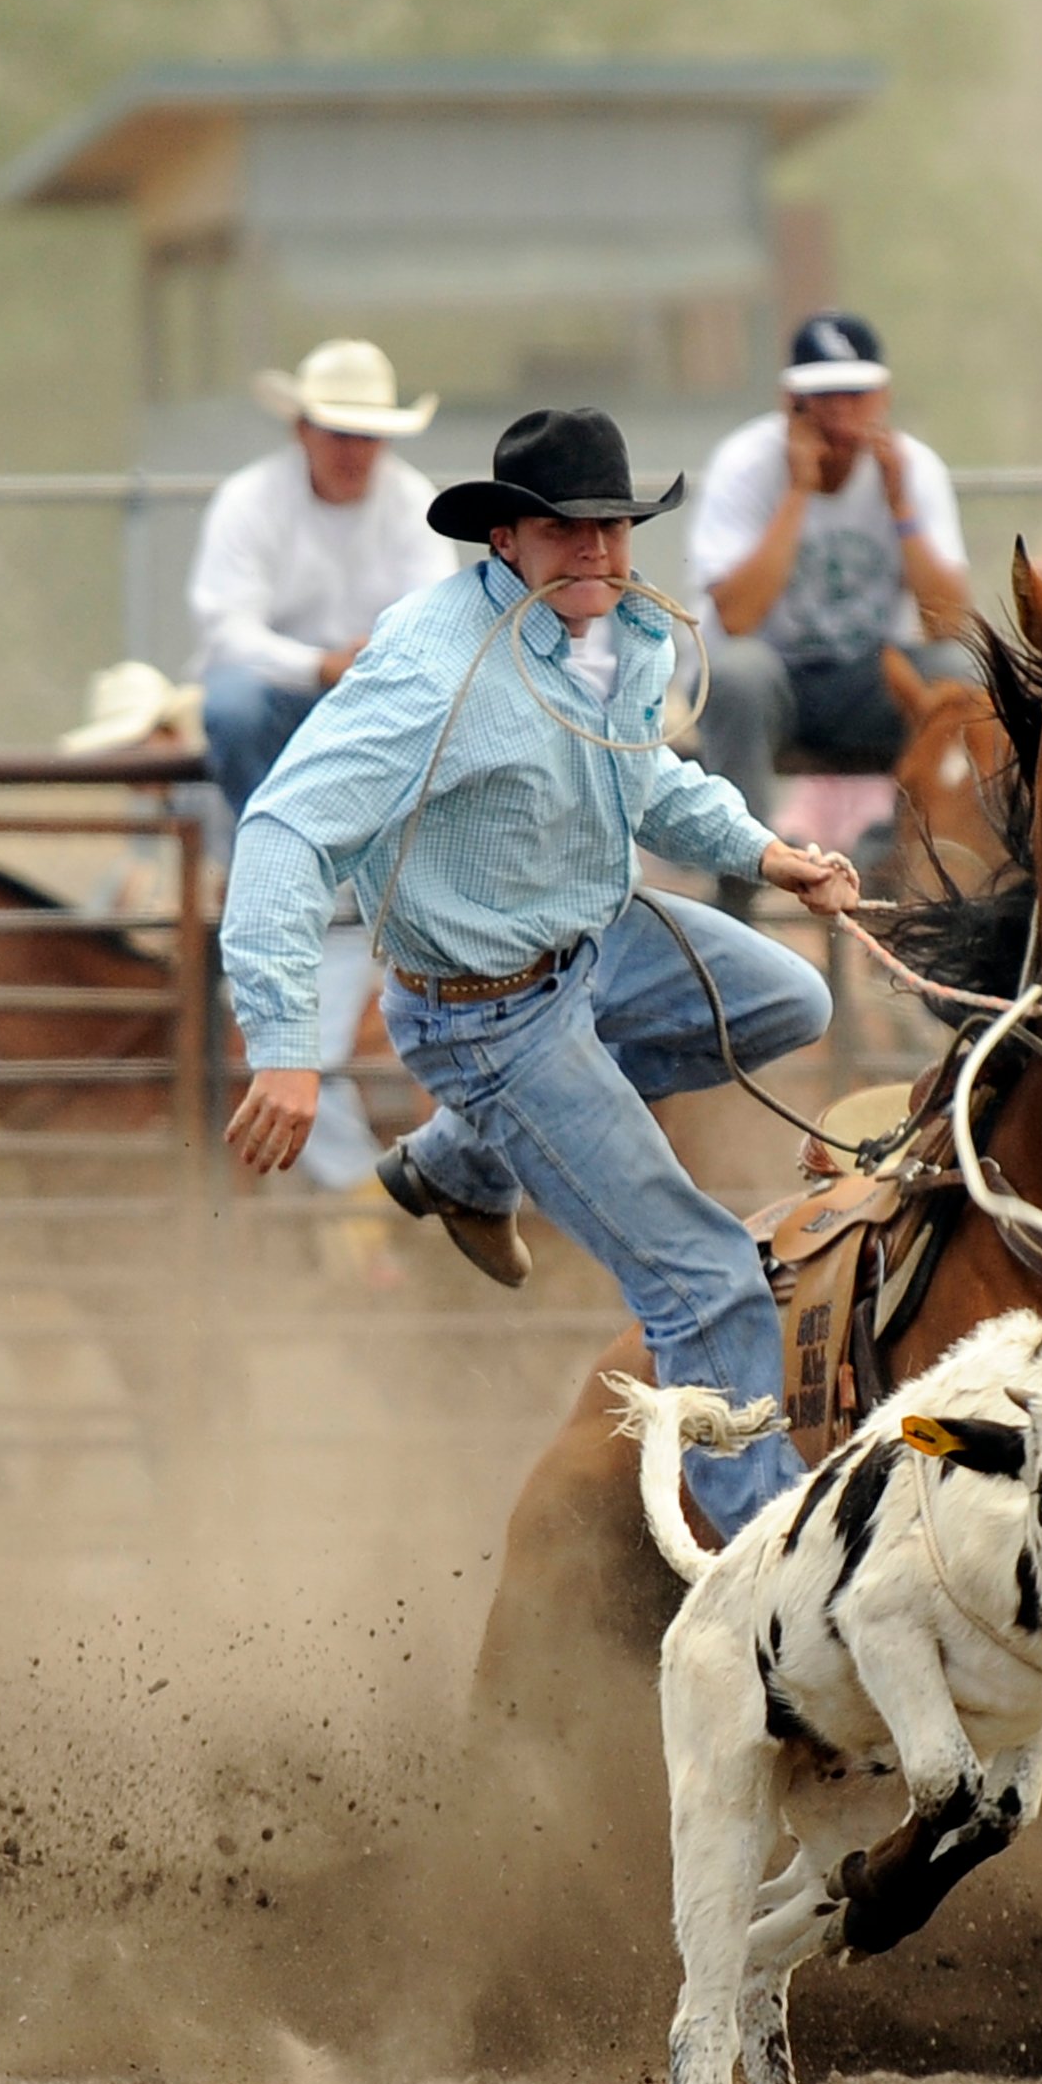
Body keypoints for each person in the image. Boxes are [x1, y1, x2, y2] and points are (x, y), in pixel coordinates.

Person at [220, 407, 862, 1541]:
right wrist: (283, 1044)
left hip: (593, 942)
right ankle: (773, 1571)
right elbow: (282, 830)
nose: (596, 552)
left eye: (612, 526)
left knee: (788, 998)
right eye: (565, 530)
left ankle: (467, 1158)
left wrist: (768, 854)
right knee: (704, 1274)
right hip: (487, 1014)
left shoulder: (615, 636)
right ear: (506, 540)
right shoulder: (432, 672)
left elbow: (645, 780)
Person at [689, 312, 976, 888]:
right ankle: (746, 872)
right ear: (791, 401)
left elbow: (948, 623)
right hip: (774, 684)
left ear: (883, 397)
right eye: (822, 396)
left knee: (957, 676)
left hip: (867, 680)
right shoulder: (745, 465)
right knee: (737, 672)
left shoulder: (913, 470)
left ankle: (908, 859)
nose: (841, 411)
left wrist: (901, 510)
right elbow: (736, 619)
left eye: (856, 393)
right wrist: (798, 491)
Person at [189, 338, 455, 824]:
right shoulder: (249, 499)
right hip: (279, 694)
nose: (354, 451)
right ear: (302, 430)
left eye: (368, 436)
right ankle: (268, 848)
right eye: (339, 433)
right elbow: (228, 634)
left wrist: (372, 660)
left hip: (376, 688)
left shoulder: (414, 501)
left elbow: (437, 621)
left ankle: (375, 868)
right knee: (234, 706)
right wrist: (321, 666)